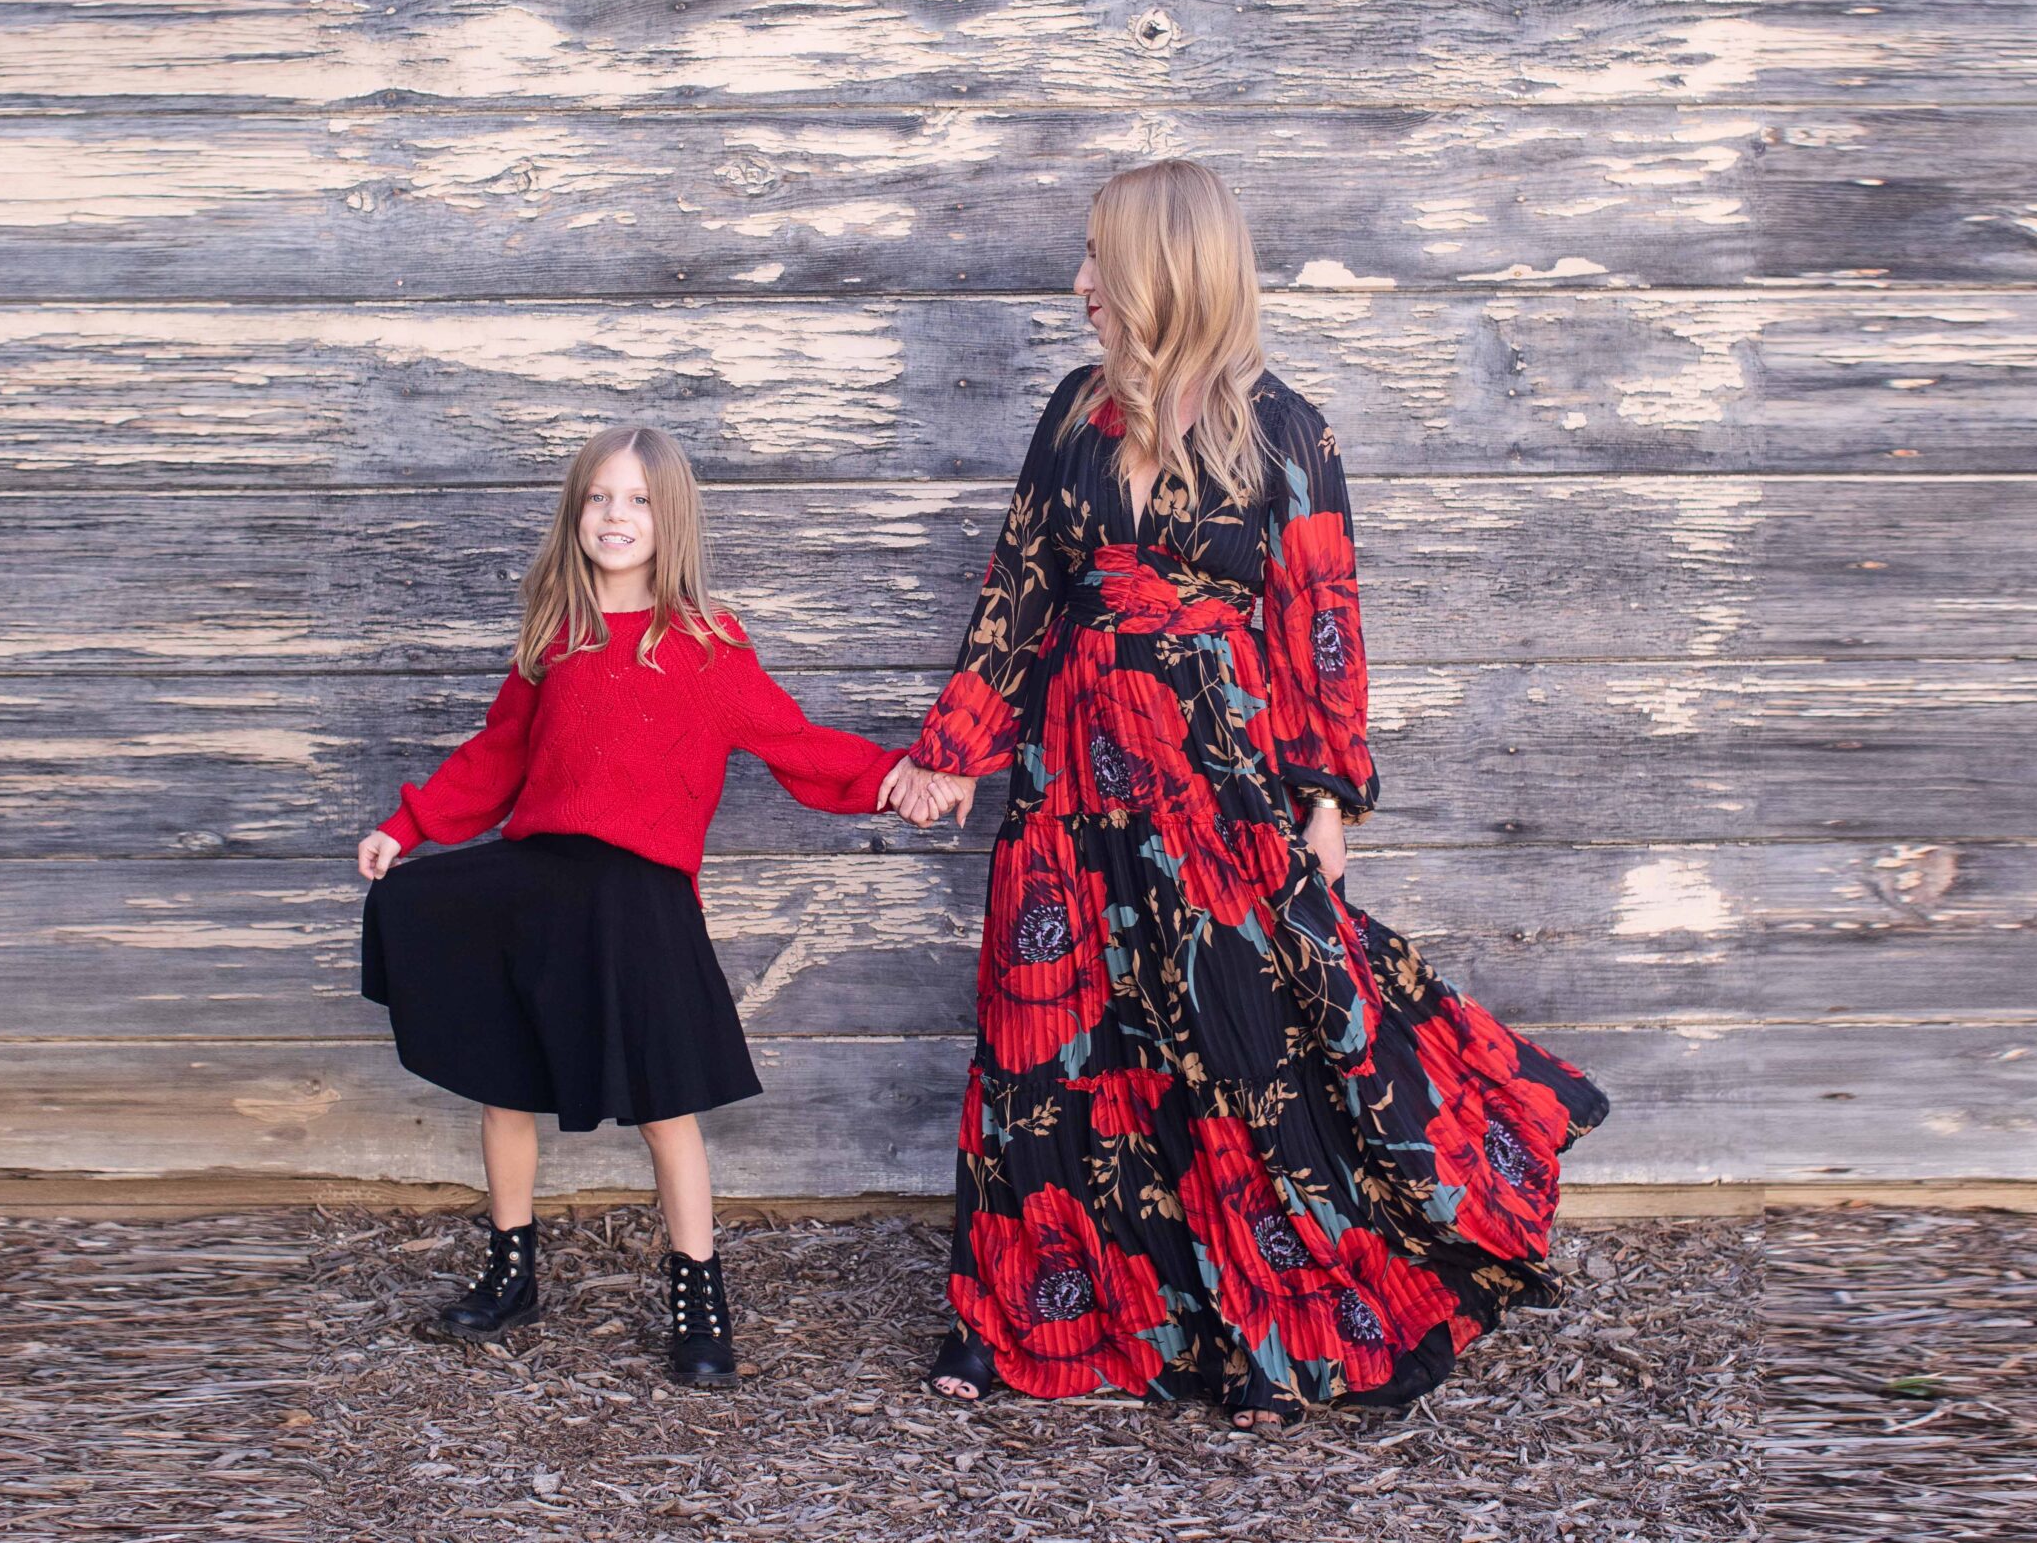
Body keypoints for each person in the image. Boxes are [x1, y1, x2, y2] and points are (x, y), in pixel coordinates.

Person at [890, 160, 1611, 1432]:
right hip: (1070, 790)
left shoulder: (1288, 429)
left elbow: (1320, 626)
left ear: (1159, 273)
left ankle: (1270, 1339)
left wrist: (1327, 798)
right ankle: (1025, 1325)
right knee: (1055, 1048)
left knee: (1241, 1052)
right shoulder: (1075, 414)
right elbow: (1018, 592)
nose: (1078, 287)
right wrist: (954, 749)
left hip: (1213, 792)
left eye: (1097, 264)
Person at [356, 424, 918, 1386]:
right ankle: (512, 1266)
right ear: (577, 514)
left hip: (641, 898)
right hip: (538, 889)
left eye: (640, 501)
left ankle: (699, 1296)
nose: (618, 517)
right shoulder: (555, 637)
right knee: (505, 1082)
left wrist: (897, 777)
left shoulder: (702, 643)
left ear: (671, 519)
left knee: (668, 1109)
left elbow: (794, 742)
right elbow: (497, 757)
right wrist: (409, 828)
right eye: (600, 498)